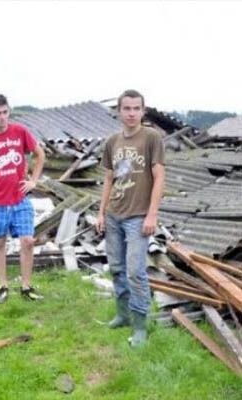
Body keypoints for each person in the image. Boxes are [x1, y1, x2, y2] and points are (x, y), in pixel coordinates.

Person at [96, 89, 165, 347]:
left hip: (138, 217)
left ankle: (139, 327)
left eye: (137, 108)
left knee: (136, 271)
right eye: (127, 108)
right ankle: (123, 315)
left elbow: (159, 177)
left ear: (143, 111)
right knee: (116, 268)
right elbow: (108, 179)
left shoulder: (151, 138)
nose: (132, 113)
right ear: (119, 111)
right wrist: (101, 213)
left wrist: (152, 214)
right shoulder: (112, 141)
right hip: (114, 214)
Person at [0, 93, 45, 303]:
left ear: (9, 111)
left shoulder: (20, 132)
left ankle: (26, 286)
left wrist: (34, 181)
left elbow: (40, 154)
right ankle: (3, 285)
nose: (2, 117)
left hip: (19, 198)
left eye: (5, 112)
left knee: (28, 241)